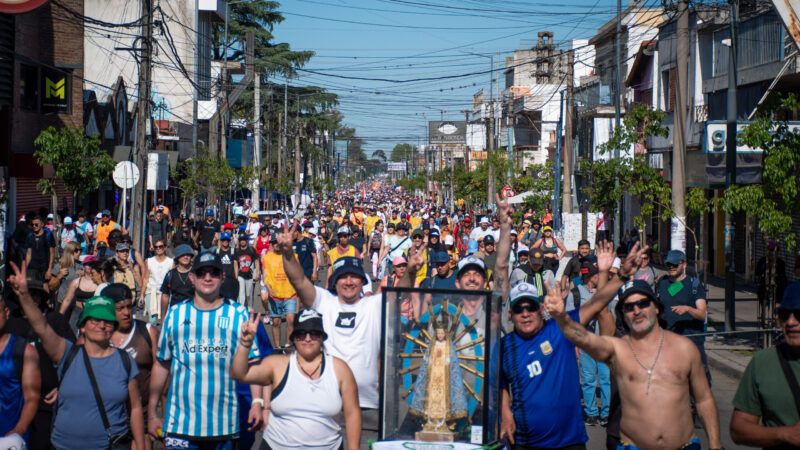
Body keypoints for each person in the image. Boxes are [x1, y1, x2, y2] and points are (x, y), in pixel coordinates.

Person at [543, 244, 722, 450]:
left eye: (643, 304)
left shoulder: (684, 349)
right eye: (628, 307)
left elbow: (704, 399)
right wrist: (562, 317)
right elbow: (591, 325)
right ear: (623, 314)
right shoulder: (619, 349)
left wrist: (715, 444)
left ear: (656, 307)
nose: (637, 311)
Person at [277, 221, 417, 448]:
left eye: (354, 276)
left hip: (368, 406)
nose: (349, 281)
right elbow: (299, 280)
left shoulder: (374, 305)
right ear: (335, 281)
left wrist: (411, 271)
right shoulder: (324, 302)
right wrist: (287, 254)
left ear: (363, 281)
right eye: (343, 276)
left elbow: (402, 292)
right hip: (326, 405)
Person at [8, 262, 145, 450]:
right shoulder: (67, 353)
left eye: (107, 321)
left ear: (113, 325)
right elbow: (41, 326)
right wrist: (24, 296)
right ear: (82, 326)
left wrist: (140, 443)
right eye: (94, 320)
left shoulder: (125, 361)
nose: (101, 325)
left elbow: (135, 407)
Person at [148, 252, 261, 448]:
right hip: (180, 425)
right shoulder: (175, 314)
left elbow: (253, 364)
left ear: (222, 277)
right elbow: (161, 364)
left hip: (224, 425)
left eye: (214, 273)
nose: (207, 278)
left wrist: (258, 403)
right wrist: (151, 413)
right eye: (201, 273)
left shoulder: (239, 314)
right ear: (192, 278)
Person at [231, 308, 361, 450]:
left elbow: (352, 413)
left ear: (322, 337)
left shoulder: (339, 369)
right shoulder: (278, 364)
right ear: (293, 338)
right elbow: (239, 374)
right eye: (301, 334)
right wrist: (245, 344)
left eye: (314, 333)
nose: (307, 338)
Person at [730, 281, 800, 447]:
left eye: (799, 314)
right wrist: (785, 434)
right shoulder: (763, 362)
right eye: (784, 315)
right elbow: (738, 429)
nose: (791, 322)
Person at [104, 283, 159, 450]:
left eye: (129, 306)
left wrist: (155, 413)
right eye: (120, 308)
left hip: (142, 415)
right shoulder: (99, 336)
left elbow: (162, 376)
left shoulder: (148, 332)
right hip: (109, 417)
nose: (127, 313)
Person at [656, 250, 709, 377]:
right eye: (669, 264)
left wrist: (688, 309)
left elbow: (702, 314)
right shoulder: (662, 283)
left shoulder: (694, 284)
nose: (671, 267)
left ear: (684, 265)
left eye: (675, 265)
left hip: (691, 340)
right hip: (668, 340)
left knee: (698, 379)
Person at [0, 288, 41, 445]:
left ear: (6, 312)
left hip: (9, 439)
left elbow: (32, 397)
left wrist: (20, 429)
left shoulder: (24, 350)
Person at [262, 234, 298, 349]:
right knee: (276, 322)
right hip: (275, 295)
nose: (277, 245)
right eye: (274, 242)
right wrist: (269, 289)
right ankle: (277, 347)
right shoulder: (267, 258)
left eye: (279, 242)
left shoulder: (292, 256)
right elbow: (265, 275)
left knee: (291, 320)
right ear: (272, 244)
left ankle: (287, 344)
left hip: (290, 294)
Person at [159, 244, 195, 321]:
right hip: (175, 313)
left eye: (188, 255)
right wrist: (163, 318)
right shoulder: (170, 274)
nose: (186, 257)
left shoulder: (197, 273)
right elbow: (165, 295)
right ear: (177, 257)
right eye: (183, 255)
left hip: (193, 313)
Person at [142, 239, 173, 326]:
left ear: (165, 247)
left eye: (160, 246)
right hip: (151, 291)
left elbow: (172, 279)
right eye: (156, 247)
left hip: (165, 293)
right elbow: (145, 278)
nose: (158, 249)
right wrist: (141, 295)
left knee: (166, 320)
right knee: (152, 321)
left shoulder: (170, 262)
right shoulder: (149, 261)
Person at [48, 241, 82, 307]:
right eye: (76, 250)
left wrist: (85, 275)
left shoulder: (82, 266)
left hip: (77, 303)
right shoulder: (60, 266)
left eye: (80, 250)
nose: (79, 252)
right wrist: (59, 276)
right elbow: (51, 286)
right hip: (63, 302)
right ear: (69, 252)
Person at [25, 215, 56, 281]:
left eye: (36, 224)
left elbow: (52, 254)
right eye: (32, 224)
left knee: (44, 285)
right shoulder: (30, 236)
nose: (34, 226)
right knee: (32, 286)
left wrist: (49, 269)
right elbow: (28, 254)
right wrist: (25, 269)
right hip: (32, 268)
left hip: (44, 267)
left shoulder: (48, 235)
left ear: (42, 224)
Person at [235, 235, 260, 312]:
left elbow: (256, 261)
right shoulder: (237, 251)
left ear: (247, 241)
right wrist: (236, 275)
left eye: (244, 240)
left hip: (250, 275)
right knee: (241, 294)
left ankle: (249, 311)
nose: (242, 241)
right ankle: (242, 311)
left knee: (249, 295)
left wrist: (258, 273)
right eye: (241, 240)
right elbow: (235, 264)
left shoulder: (251, 250)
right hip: (240, 275)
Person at [215, 232, 240, 300]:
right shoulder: (217, 252)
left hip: (231, 279)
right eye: (224, 240)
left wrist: (236, 278)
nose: (225, 241)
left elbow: (235, 264)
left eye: (227, 240)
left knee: (232, 299)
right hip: (220, 280)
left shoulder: (233, 251)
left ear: (229, 241)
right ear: (221, 241)